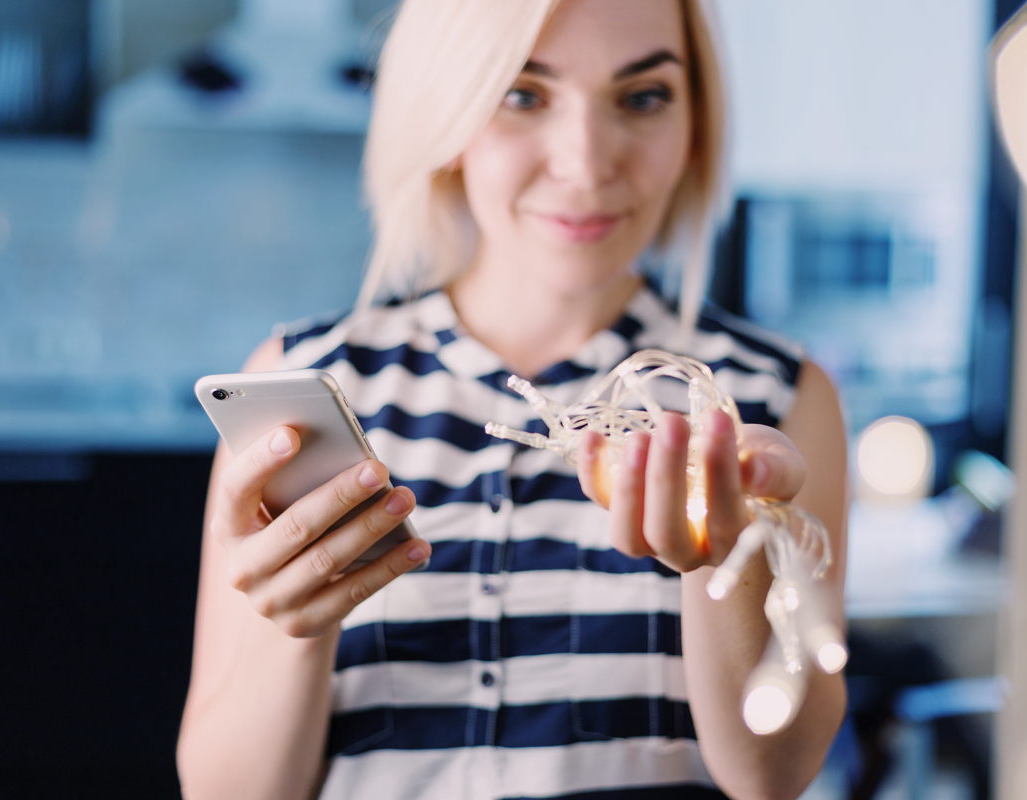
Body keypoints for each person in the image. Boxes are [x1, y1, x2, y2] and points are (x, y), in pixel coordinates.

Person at [176, 0, 848, 798]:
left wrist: (723, 565)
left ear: (696, 122)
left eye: (642, 97)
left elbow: (775, 777)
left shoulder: (775, 399)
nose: (587, 163)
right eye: (523, 95)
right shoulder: (311, 381)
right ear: (446, 110)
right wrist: (295, 628)